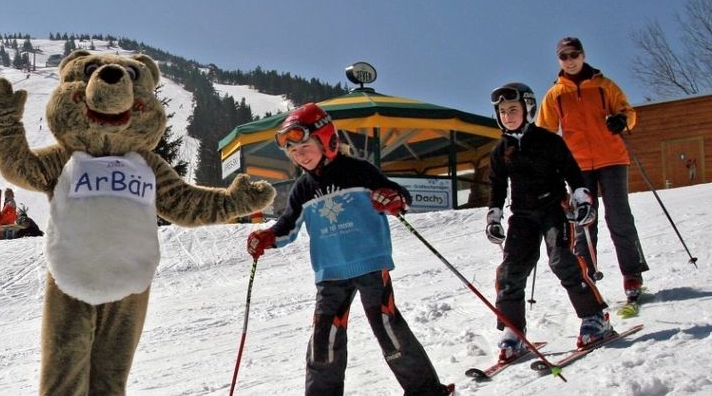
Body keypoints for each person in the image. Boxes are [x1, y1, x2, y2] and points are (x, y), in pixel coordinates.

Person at [246, 103, 453, 396]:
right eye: (293, 151)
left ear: (327, 140)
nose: (299, 155)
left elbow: (398, 195)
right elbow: (287, 226)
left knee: (387, 327)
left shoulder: (358, 171)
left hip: (369, 263)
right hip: (330, 273)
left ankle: (426, 391)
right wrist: (267, 237)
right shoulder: (303, 188)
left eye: (305, 145)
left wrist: (392, 198)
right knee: (323, 340)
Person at [487, 83, 612, 358]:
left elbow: (572, 171)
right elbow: (497, 186)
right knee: (510, 271)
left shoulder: (548, 140)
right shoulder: (500, 151)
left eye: (513, 109)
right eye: (503, 111)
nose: (508, 115)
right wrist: (494, 216)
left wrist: (581, 197)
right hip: (521, 216)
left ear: (528, 109)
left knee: (562, 260)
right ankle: (513, 330)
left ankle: (594, 317)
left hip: (553, 209)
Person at [537, 37, 648, 301]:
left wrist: (621, 121)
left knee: (619, 217)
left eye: (574, 54)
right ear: (558, 60)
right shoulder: (555, 95)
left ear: (583, 55)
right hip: (576, 167)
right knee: (585, 221)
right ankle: (585, 276)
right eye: (564, 56)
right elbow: (544, 132)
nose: (570, 60)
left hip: (612, 159)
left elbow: (628, 112)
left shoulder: (604, 86)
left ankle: (632, 275)